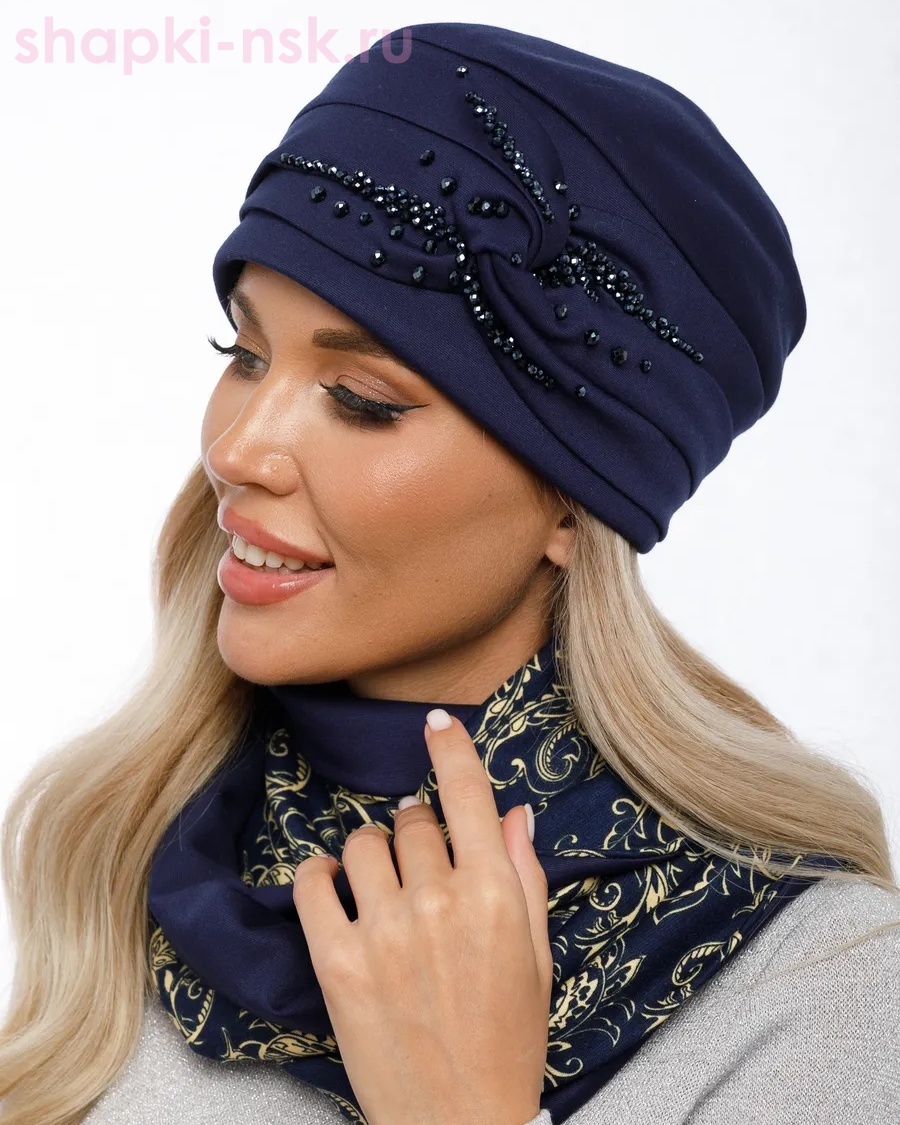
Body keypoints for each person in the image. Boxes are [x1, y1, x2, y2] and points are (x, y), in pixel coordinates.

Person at [1, 21, 897, 1125]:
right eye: (243, 354)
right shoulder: (127, 856)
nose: (235, 449)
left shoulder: (825, 989)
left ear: (572, 498)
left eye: (362, 400)